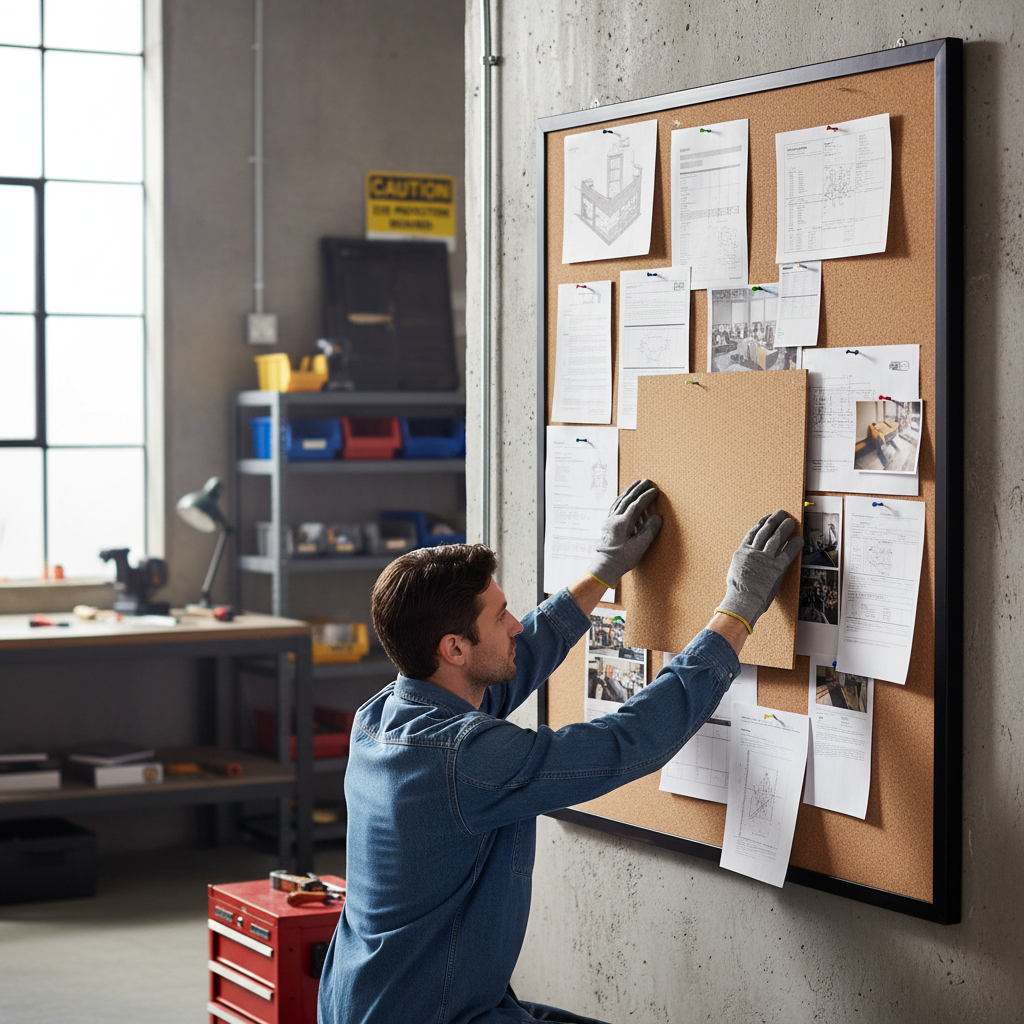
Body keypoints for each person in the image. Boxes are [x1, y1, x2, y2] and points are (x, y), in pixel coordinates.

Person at [317, 481, 801, 1024]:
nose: (515, 624)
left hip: (384, 999)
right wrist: (737, 610)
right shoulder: (463, 760)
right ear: (453, 648)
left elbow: (506, 668)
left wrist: (602, 570)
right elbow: (628, 740)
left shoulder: (385, 714)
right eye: (499, 616)